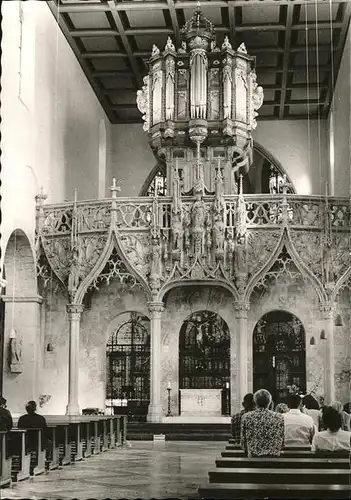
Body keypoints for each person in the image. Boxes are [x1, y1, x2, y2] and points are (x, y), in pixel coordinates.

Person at [241, 389, 284, 457]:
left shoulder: (246, 417)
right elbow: (282, 441)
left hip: (254, 458)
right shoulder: (279, 417)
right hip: (274, 458)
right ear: (269, 402)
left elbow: (243, 442)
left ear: (255, 402)